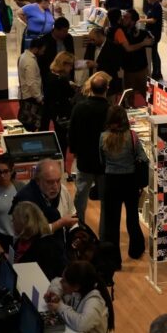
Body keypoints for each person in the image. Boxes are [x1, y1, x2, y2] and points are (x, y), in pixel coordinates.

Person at [45, 261, 120, 333]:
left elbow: (81, 324)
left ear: (76, 286)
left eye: (65, 280)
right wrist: (54, 293)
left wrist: (60, 306)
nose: (61, 282)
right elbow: (56, 281)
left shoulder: (95, 301)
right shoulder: (80, 288)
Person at [99, 106, 147, 267]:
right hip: (130, 181)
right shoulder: (132, 136)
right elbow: (143, 158)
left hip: (111, 181)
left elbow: (101, 160)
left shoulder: (103, 137)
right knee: (132, 217)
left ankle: (114, 260)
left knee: (112, 222)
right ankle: (136, 250)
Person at [69, 74, 110, 226]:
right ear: (106, 89)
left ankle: (79, 229)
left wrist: (75, 152)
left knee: (80, 197)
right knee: (106, 202)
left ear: (90, 88)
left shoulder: (79, 108)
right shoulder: (110, 109)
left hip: (85, 160)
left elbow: (72, 132)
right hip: (105, 163)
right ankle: (104, 235)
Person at [12, 158, 77, 234]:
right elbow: (27, 233)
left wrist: (75, 232)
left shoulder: (63, 189)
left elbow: (72, 213)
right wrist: (60, 224)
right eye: (50, 182)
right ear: (38, 181)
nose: (56, 187)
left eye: (58, 180)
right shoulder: (25, 199)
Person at [12, 201, 67, 279]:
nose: (12, 222)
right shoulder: (21, 240)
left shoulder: (47, 247)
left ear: (23, 222)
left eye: (14, 219)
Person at [43, 51, 77, 166]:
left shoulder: (49, 75)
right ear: (64, 64)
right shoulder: (61, 80)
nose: (71, 68)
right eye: (70, 65)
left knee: (59, 140)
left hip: (53, 113)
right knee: (63, 142)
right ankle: (61, 166)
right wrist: (71, 87)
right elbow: (70, 94)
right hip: (63, 115)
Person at [118, 9, 153, 101]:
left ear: (133, 21)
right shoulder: (121, 32)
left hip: (142, 69)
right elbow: (128, 48)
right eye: (123, 16)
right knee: (128, 98)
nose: (123, 19)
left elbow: (151, 40)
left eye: (126, 17)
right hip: (129, 70)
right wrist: (143, 43)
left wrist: (146, 38)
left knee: (149, 96)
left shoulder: (141, 32)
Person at [17, 37, 45, 131]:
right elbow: (31, 82)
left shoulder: (23, 56)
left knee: (27, 125)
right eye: (42, 50)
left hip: (25, 95)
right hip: (30, 98)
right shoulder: (30, 62)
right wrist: (39, 98)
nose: (43, 52)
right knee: (30, 126)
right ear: (36, 49)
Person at [141, 0, 163, 80]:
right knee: (154, 52)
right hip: (151, 32)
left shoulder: (157, 6)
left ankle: (157, 73)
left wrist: (142, 20)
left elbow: (153, 20)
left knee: (154, 53)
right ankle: (156, 72)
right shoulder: (152, 6)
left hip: (155, 33)